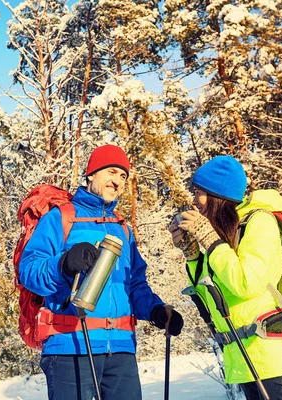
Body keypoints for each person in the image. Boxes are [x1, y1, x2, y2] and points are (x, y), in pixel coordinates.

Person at [19, 144, 184, 400]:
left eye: (123, 176)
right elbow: (29, 271)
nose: (117, 181)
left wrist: (155, 310)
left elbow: (135, 284)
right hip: (69, 345)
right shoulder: (61, 218)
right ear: (91, 174)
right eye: (111, 172)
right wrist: (63, 264)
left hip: (120, 348)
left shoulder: (123, 229)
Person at [168, 155, 282, 400]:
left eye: (198, 192)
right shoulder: (227, 233)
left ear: (217, 195)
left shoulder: (260, 223)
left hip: (270, 357)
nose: (194, 200)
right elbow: (212, 296)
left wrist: (209, 239)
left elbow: (246, 283)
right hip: (244, 359)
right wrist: (192, 254)